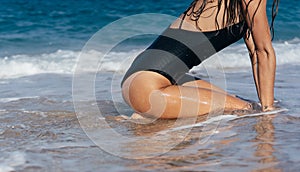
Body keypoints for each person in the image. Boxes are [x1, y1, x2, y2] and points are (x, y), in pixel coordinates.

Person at [121, 0, 279, 119]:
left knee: (242, 103)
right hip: (148, 88)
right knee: (247, 110)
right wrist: (268, 111)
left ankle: (149, 115)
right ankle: (150, 113)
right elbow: (263, 51)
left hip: (142, 79)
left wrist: (265, 105)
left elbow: (256, 53)